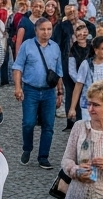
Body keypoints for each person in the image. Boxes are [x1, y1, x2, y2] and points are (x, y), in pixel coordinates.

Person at [12, 16, 64, 170]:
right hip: (31, 90)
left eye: (49, 29)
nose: (46, 32)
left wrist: (60, 92)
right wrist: (17, 87)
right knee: (28, 123)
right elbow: (18, 67)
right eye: (43, 29)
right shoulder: (27, 46)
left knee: (48, 125)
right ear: (36, 30)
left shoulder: (55, 47)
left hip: (49, 92)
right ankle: (27, 148)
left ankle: (43, 157)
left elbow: (59, 71)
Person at [67, 35, 103, 122]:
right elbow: (78, 86)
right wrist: (72, 108)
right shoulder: (86, 64)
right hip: (88, 106)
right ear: (96, 50)